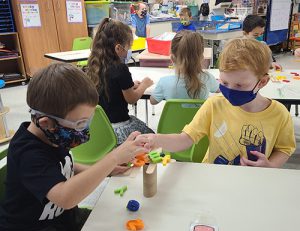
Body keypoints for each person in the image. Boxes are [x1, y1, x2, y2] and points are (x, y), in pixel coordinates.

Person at [0, 63, 148, 231]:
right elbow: (65, 197)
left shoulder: (50, 135)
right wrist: (112, 158)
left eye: (87, 121)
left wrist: (105, 170)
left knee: (115, 226)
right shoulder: (28, 152)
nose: (85, 130)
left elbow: (66, 165)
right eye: (80, 123)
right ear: (46, 122)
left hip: (60, 223)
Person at [141, 39, 296, 167]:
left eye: (240, 85)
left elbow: (284, 149)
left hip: (253, 182)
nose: (230, 90)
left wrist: (270, 165)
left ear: (262, 82)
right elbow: (185, 139)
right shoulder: (214, 105)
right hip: (213, 177)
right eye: (224, 82)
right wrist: (157, 140)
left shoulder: (279, 114)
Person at [87, 18, 154, 146]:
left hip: (101, 128)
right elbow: (132, 98)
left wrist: (129, 85)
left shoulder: (94, 65)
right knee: (151, 139)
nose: (130, 50)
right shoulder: (120, 68)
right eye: (129, 47)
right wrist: (144, 85)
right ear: (118, 48)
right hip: (119, 128)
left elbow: (111, 87)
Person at [150, 30, 219, 105]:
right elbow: (221, 90)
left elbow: (153, 101)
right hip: (200, 117)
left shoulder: (164, 82)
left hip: (175, 117)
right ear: (202, 57)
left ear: (172, 58)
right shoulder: (207, 78)